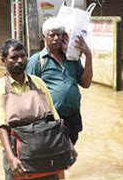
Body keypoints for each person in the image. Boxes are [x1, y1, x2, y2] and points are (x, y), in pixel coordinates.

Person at [0, 39, 62, 180]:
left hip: (46, 149)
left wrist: (66, 146)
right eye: (14, 57)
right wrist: (12, 157)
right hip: (16, 152)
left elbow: (54, 116)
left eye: (23, 56)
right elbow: (1, 125)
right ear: (3, 60)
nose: (20, 61)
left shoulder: (38, 83)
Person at [26, 17, 92, 147]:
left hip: (73, 116)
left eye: (59, 34)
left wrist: (88, 55)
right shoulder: (37, 61)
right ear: (44, 37)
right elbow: (29, 94)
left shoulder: (72, 58)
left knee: (69, 154)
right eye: (52, 35)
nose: (56, 38)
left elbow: (86, 84)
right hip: (51, 120)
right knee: (53, 156)